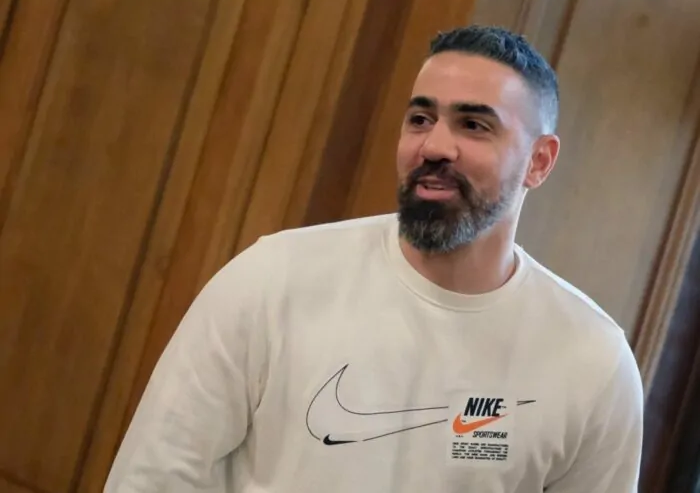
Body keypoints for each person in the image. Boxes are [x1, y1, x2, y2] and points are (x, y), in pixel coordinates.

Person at [104, 25, 644, 493]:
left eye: (474, 125)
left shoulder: (592, 362)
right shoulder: (273, 278)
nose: (434, 146)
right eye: (420, 118)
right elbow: (154, 475)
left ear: (539, 161)